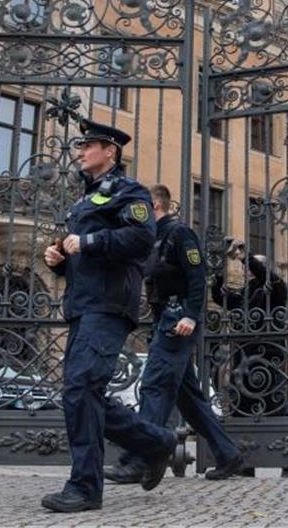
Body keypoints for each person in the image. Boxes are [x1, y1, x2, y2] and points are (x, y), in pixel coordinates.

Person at [40, 118, 177, 513]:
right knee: (82, 394)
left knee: (80, 390)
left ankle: (84, 487)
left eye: (88, 145)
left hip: (110, 305)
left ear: (110, 151)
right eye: (79, 146)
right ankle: (156, 441)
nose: (80, 152)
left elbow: (140, 239)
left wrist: (88, 240)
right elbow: (82, 257)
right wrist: (59, 261)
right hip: (84, 305)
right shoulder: (85, 199)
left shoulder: (129, 192)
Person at [104, 184, 247, 485]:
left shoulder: (179, 233)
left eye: (140, 206)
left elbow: (198, 277)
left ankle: (139, 460)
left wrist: (191, 315)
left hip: (177, 321)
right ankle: (228, 454)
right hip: (163, 320)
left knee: (154, 386)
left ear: (155, 204)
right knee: (190, 399)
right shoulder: (151, 237)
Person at [210, 238, 288, 477]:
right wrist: (219, 272)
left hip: (269, 357)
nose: (247, 269)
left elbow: (266, 276)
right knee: (242, 409)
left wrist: (245, 256)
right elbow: (220, 297)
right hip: (244, 358)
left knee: (276, 409)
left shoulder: (277, 288)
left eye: (253, 266)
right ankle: (245, 463)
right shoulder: (246, 292)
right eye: (247, 266)